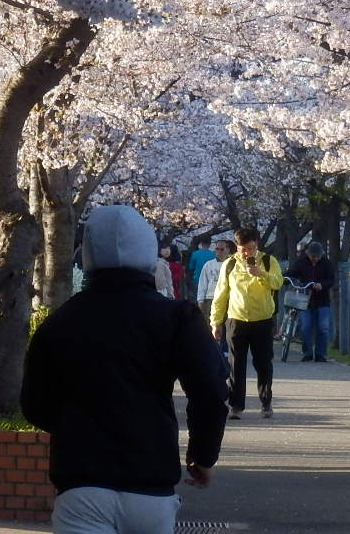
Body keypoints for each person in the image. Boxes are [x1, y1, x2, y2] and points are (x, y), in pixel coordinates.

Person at [22, 205, 228, 534]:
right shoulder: (177, 318)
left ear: (87, 254)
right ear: (148, 252)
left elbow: (35, 405)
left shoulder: (60, 322)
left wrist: (75, 423)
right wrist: (203, 455)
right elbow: (211, 390)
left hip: (81, 484)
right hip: (150, 481)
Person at [211, 226, 283, 420]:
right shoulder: (229, 264)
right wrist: (216, 322)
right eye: (243, 249)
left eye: (250, 248)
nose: (247, 253)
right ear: (236, 247)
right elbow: (221, 294)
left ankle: (266, 402)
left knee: (264, 363)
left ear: (256, 244)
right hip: (236, 320)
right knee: (236, 364)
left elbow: (278, 282)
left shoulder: (268, 261)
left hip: (262, 320)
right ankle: (236, 405)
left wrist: (261, 274)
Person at [283, 241, 337, 361]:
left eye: (318, 256)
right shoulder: (301, 263)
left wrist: (322, 285)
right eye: (313, 256)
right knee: (305, 327)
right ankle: (307, 352)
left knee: (323, 327)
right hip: (305, 301)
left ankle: (320, 354)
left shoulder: (326, 264)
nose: (315, 259)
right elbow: (291, 274)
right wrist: (284, 279)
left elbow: (332, 279)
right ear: (308, 254)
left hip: (322, 300)